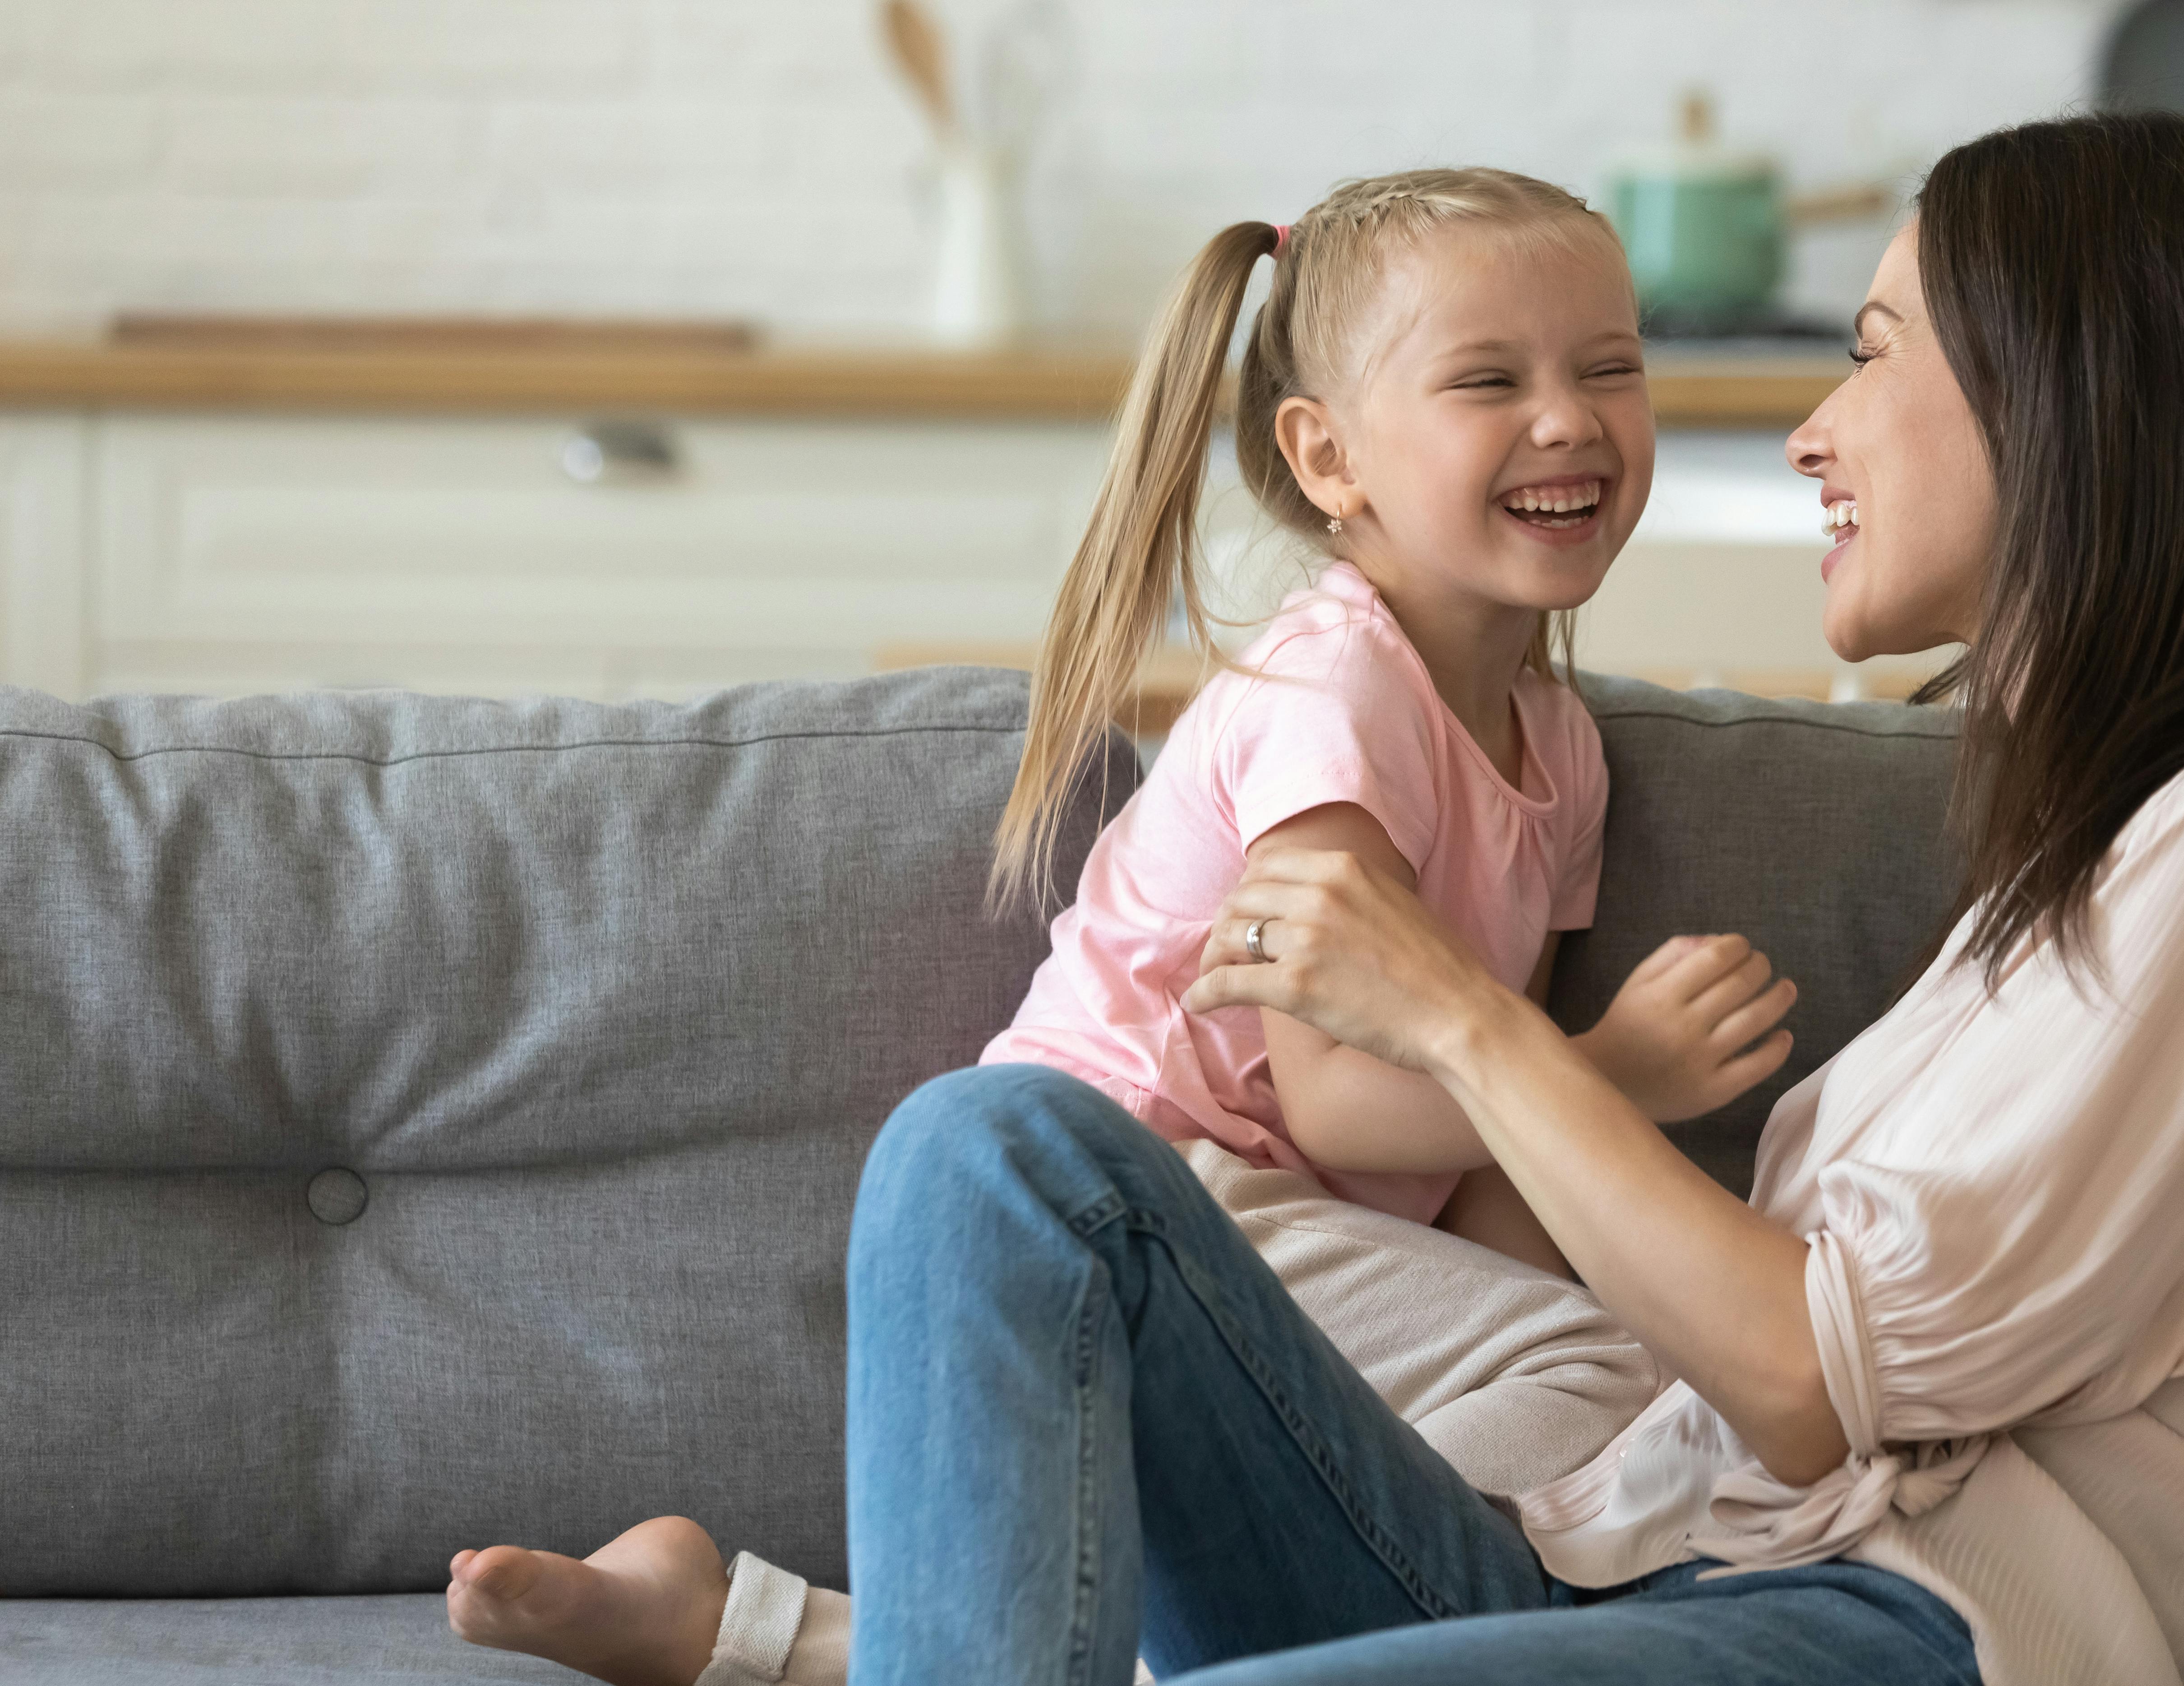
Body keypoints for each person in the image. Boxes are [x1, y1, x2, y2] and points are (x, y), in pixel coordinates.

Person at [446, 166, 1803, 1686]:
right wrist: (1615, 1071)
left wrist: (1574, 1272)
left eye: (1608, 367)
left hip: (1306, 1225)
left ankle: (750, 1634)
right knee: (1604, 1383)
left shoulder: (1559, 750)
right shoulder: (1336, 693)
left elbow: (1484, 1148)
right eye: (1490, 379)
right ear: (1327, 455)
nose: (1567, 417)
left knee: (1612, 1376)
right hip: (1172, 1184)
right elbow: (1343, 1093)